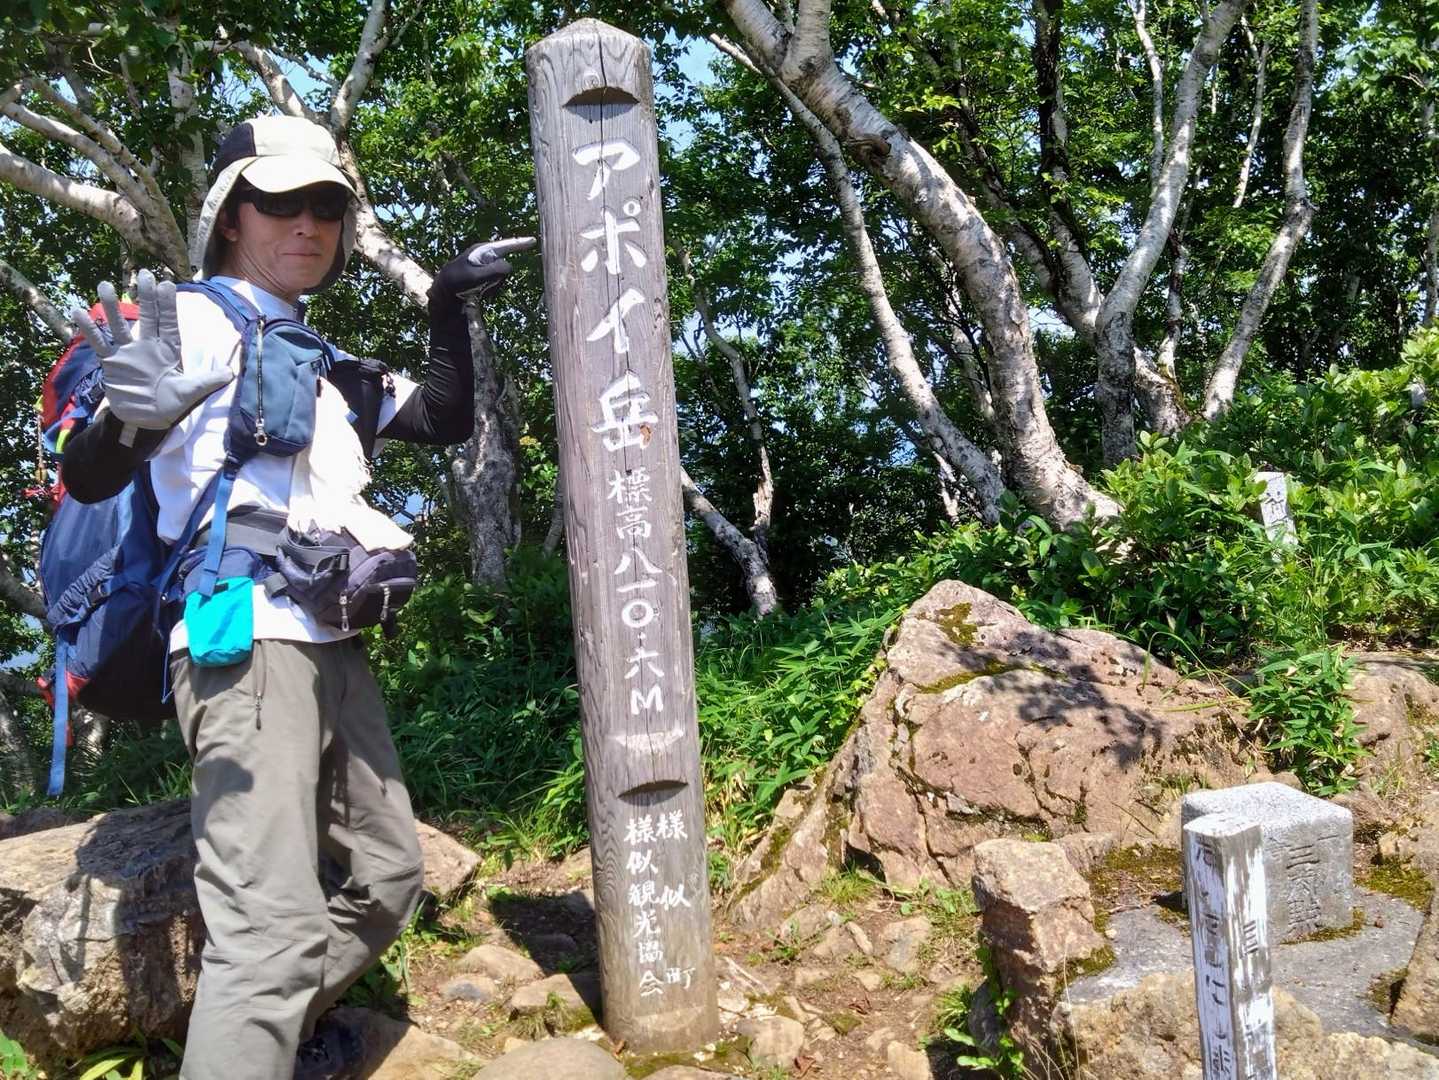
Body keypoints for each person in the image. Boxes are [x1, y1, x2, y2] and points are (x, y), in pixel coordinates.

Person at [59, 114, 531, 1080]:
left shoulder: (319, 361)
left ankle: (253, 1042)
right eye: (279, 202)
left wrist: (446, 302)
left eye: (326, 205)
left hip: (329, 642)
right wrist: (126, 428)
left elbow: (441, 417)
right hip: (242, 641)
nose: (308, 223)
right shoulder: (191, 321)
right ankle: (249, 1034)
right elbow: (91, 473)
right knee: (269, 930)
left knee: (388, 877)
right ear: (231, 218)